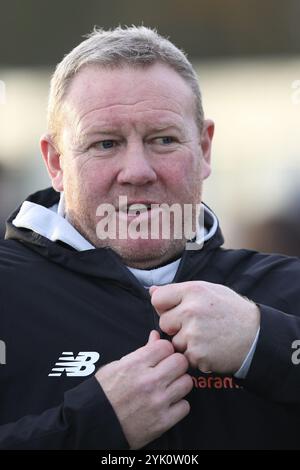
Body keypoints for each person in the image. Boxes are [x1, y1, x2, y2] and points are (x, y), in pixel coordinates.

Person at [0, 26, 300, 451]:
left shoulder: (287, 291)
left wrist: (264, 343)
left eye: (163, 140)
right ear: (56, 162)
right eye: (105, 143)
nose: (137, 171)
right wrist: (93, 426)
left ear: (204, 149)